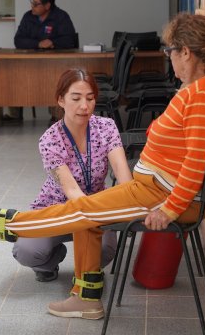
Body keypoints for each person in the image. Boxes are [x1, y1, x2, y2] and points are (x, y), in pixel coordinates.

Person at [0, 13, 205, 320]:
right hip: (154, 189)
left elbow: (196, 165)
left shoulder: (203, 96)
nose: (169, 58)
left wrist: (169, 211)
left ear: (185, 52)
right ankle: (86, 299)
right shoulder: (199, 90)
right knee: (86, 215)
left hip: (162, 195)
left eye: (170, 51)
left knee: (81, 211)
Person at [12, 68, 132, 282]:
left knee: (103, 251)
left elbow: (124, 178)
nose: (84, 106)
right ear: (61, 100)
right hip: (57, 208)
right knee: (27, 251)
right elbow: (72, 191)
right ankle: (52, 258)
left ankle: (88, 263)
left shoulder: (106, 128)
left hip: (96, 207)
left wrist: (132, 205)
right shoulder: (50, 140)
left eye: (90, 98)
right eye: (76, 99)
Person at [6, 0, 77, 123]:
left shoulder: (61, 17)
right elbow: (18, 40)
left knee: (57, 79)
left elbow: (70, 40)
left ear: (47, 5)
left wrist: (53, 43)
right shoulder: (28, 17)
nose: (32, 6)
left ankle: (57, 116)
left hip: (54, 64)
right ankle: (15, 115)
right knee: (14, 73)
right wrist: (38, 44)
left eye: (36, 4)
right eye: (32, 2)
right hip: (29, 62)